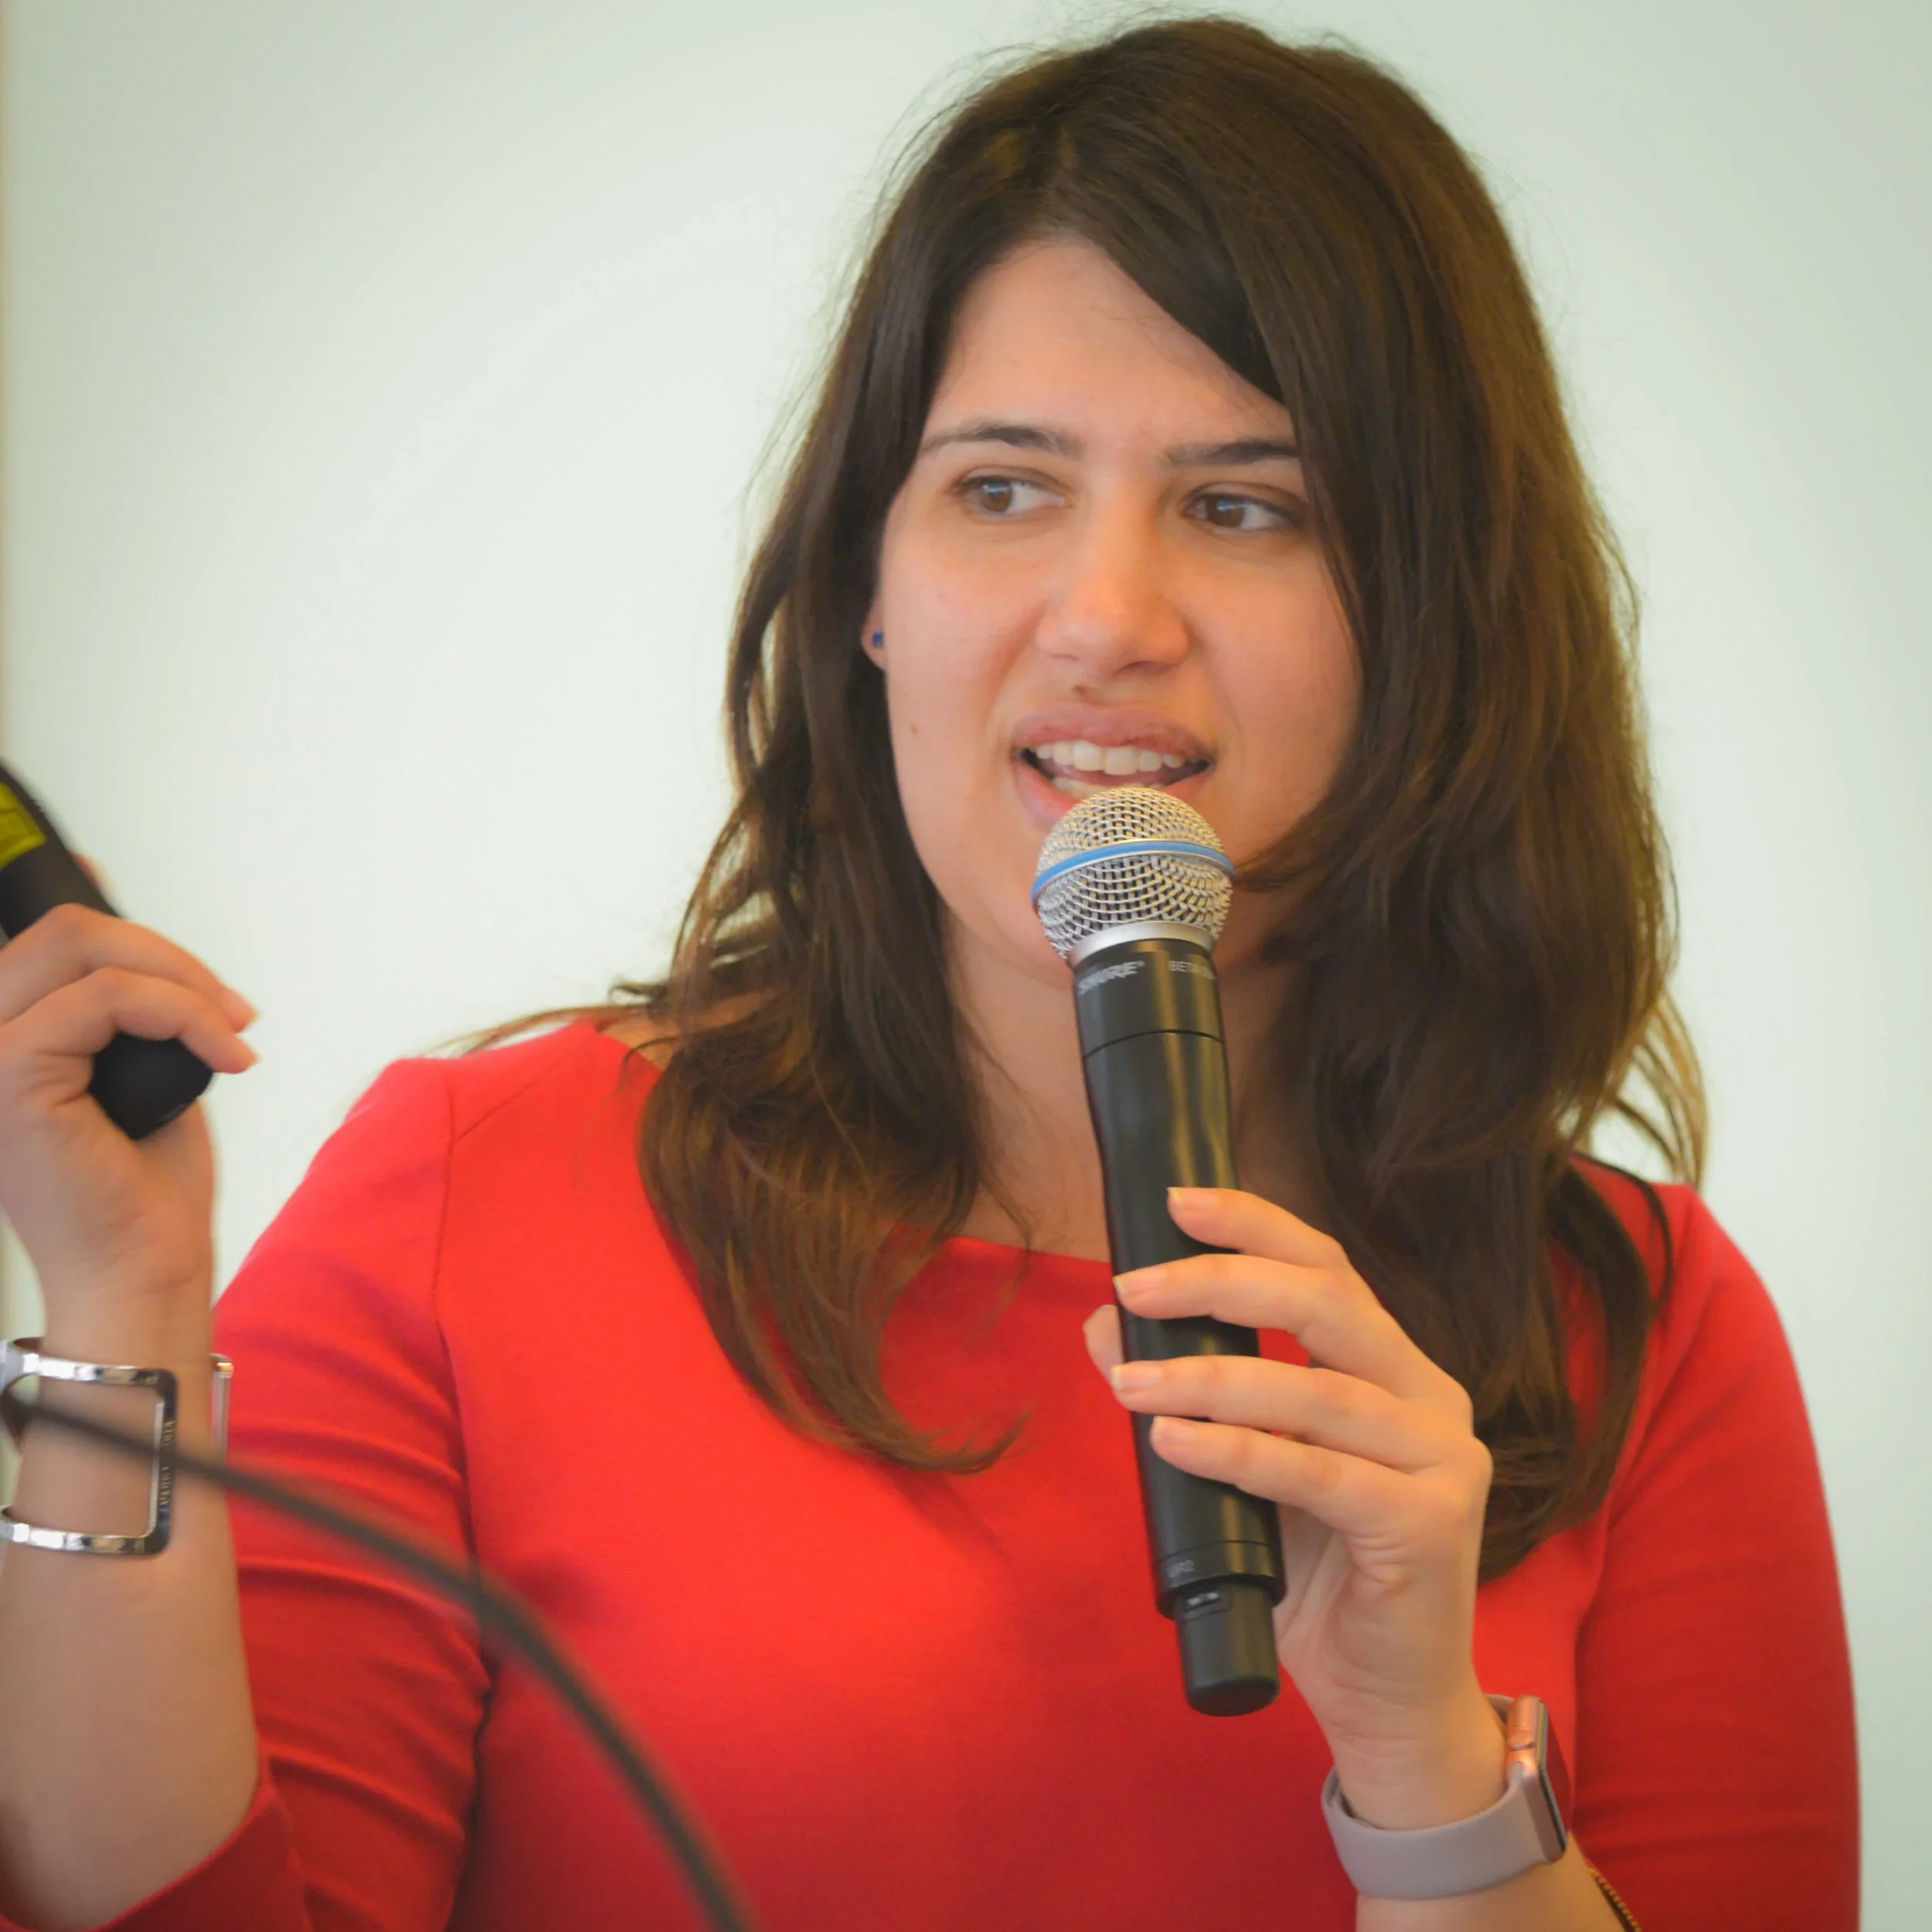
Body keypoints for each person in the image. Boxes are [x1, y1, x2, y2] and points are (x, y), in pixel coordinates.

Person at [0, 19, 1856, 1932]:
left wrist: (1428, 1778)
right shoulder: (476, 1197)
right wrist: (118, 1309)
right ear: (869, 586)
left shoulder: (1640, 1333)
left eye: (1247, 506)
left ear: (1438, 621)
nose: (1105, 617)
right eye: (1000, 487)